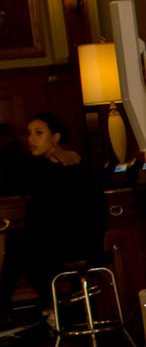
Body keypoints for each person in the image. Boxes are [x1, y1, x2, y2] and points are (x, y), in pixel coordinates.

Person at [0, 112, 106, 332]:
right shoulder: (73, 162)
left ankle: (47, 307)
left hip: (68, 248)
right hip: (84, 244)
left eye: (39, 133)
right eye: (29, 134)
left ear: (55, 137)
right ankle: (57, 308)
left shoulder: (44, 169)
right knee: (21, 245)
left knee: (17, 245)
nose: (31, 139)